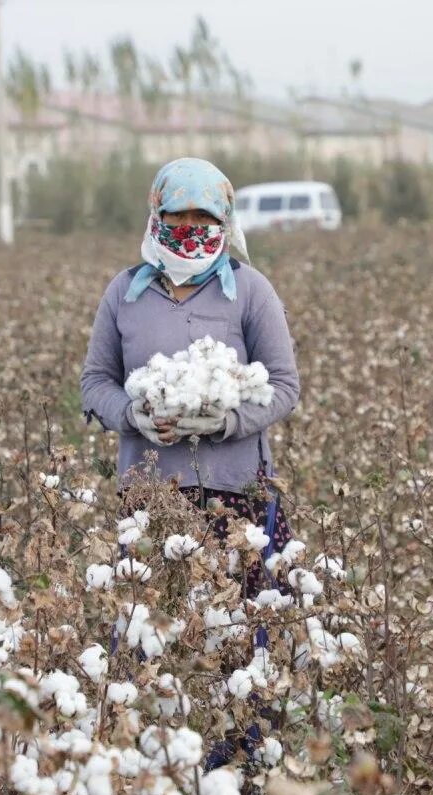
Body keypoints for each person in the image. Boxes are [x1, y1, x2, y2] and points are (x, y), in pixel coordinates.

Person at [80, 157, 299, 565]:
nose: (189, 226)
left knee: (240, 618)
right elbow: (95, 381)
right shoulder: (125, 292)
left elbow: (284, 385)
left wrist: (225, 422)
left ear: (224, 222)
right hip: (149, 494)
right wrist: (131, 415)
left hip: (237, 494)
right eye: (177, 215)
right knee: (152, 619)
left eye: (203, 216)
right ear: (156, 216)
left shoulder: (251, 290)